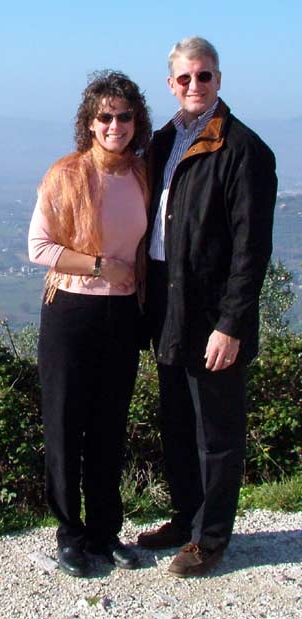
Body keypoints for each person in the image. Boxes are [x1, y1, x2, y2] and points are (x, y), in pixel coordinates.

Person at [137, 36, 277, 577]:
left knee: (216, 432)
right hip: (167, 302)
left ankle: (211, 539)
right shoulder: (162, 140)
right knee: (176, 421)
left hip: (214, 310)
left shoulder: (244, 149)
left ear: (219, 79)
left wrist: (232, 324)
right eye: (185, 78)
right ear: (170, 83)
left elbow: (252, 249)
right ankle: (184, 518)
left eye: (205, 76)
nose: (195, 86)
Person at [28, 71, 151, 577]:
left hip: (122, 315)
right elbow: (39, 248)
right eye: (105, 116)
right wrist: (102, 265)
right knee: (64, 424)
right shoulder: (66, 174)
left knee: (108, 427)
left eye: (124, 116)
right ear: (90, 122)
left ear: (136, 120)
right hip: (72, 312)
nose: (114, 125)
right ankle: (69, 535)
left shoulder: (143, 174)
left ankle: (104, 531)